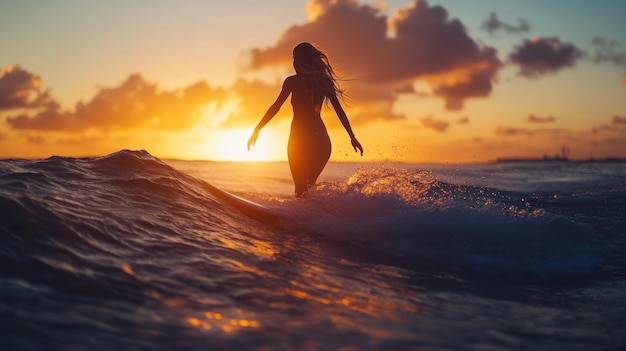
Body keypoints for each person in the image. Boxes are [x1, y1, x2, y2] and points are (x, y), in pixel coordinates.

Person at [247, 42, 363, 197]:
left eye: (295, 58)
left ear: (299, 60)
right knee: (309, 188)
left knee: (301, 191)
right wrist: (352, 137)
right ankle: (316, 219)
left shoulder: (292, 82)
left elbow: (276, 107)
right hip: (320, 140)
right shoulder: (323, 81)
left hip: (299, 139)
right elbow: (339, 111)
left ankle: (302, 220)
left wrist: (257, 129)